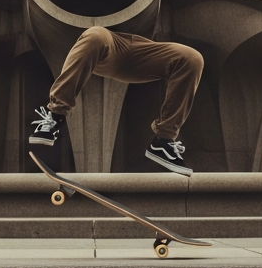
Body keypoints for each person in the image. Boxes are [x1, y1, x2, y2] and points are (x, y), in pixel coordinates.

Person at [29, 26, 204, 175]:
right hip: (106, 45)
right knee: (96, 35)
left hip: (145, 48)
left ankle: (164, 141)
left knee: (191, 58)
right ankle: (54, 116)